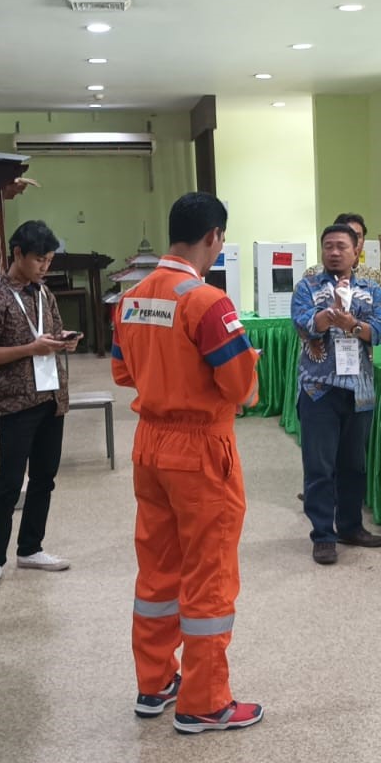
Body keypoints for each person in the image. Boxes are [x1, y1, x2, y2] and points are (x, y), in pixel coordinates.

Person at [112, 192, 264, 734]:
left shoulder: (130, 299)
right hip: (200, 450)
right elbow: (242, 389)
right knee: (209, 574)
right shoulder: (208, 302)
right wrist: (246, 363)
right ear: (214, 237)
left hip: (149, 445)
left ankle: (154, 683)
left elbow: (123, 374)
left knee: (158, 568)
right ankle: (204, 702)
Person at [0, 220, 80, 591]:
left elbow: (53, 333)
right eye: (39, 260)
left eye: (49, 261)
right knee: (10, 482)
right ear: (18, 253)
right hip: (16, 401)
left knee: (45, 477)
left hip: (51, 396)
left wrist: (64, 341)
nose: (44, 267)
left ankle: (31, 547)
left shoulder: (44, 293)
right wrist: (31, 348)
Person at [293, 223, 381, 565]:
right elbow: (302, 323)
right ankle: (323, 535)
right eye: (328, 246)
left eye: (341, 246)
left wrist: (352, 324)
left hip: (359, 389)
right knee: (320, 466)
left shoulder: (371, 289)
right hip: (318, 389)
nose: (334, 252)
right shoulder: (308, 286)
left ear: (356, 251)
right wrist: (329, 315)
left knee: (354, 464)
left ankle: (351, 526)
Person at [304, 212, 381, 288]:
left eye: (358, 236)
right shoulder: (312, 274)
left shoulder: (374, 276)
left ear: (363, 241)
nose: (354, 241)